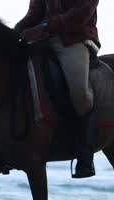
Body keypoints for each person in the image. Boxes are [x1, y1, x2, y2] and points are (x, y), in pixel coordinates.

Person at [15, 0, 100, 178]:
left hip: (73, 39)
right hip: (42, 39)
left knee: (80, 92)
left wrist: (46, 26)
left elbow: (82, 12)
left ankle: (85, 154)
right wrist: (16, 30)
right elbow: (34, 13)